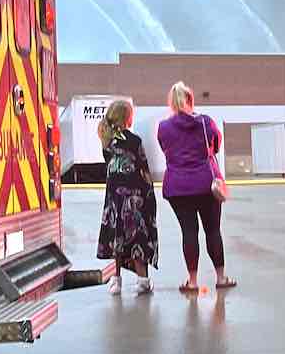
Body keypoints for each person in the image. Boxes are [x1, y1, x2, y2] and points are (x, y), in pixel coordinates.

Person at [157, 81, 236, 295]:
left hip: (178, 188)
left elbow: (165, 149)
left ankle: (192, 281)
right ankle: (220, 278)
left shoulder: (163, 127)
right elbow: (216, 145)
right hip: (205, 186)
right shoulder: (206, 122)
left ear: (172, 103)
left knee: (188, 232)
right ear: (191, 100)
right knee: (212, 230)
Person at [96, 98, 158, 296]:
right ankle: (142, 280)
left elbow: (109, 163)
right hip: (134, 195)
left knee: (117, 233)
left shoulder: (108, 142)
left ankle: (116, 280)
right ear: (127, 118)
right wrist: (150, 192)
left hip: (114, 196)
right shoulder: (134, 141)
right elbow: (143, 166)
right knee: (137, 233)